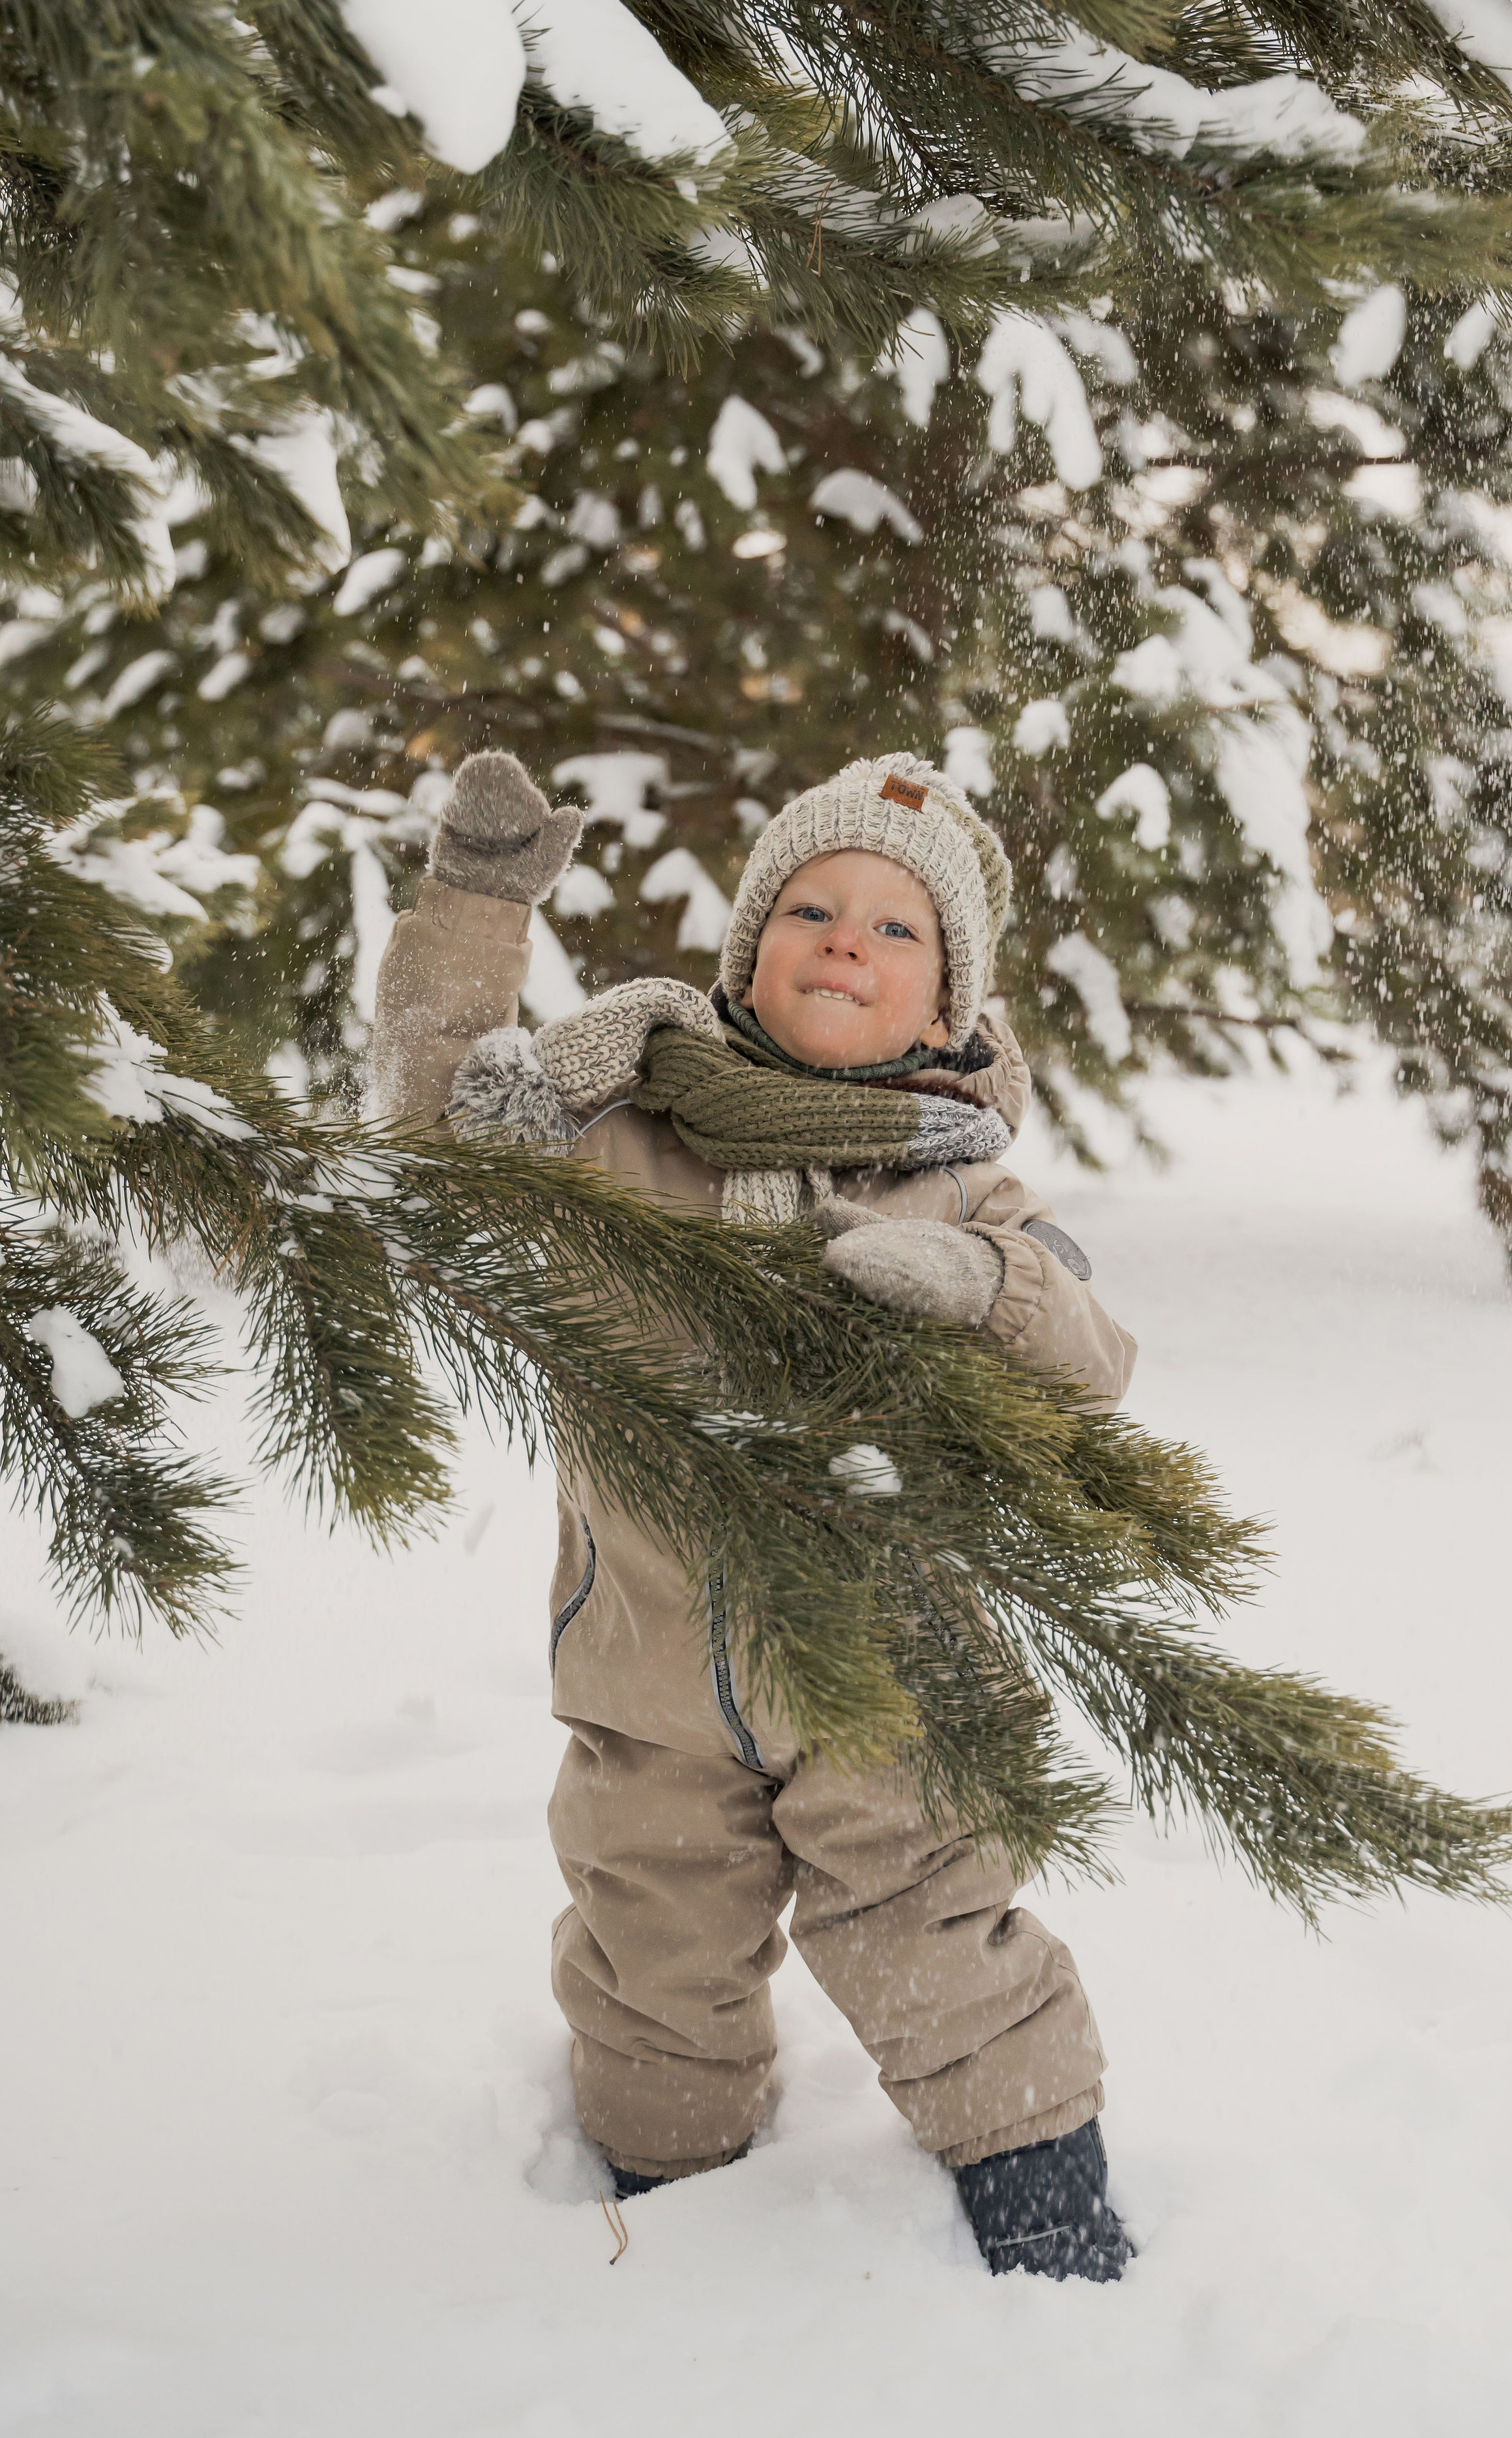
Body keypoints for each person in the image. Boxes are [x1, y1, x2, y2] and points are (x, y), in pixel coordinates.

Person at [371, 747, 1138, 2281]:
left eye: (894, 925)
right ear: (743, 961)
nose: (844, 935)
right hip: (648, 1681)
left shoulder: (966, 1188)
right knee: (649, 1958)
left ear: (944, 1011)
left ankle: (1042, 2197)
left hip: (891, 1690)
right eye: (808, 906)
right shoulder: (617, 1140)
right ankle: (664, 2208)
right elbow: (436, 1130)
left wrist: (984, 1291)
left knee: (941, 1941)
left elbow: (1089, 1357)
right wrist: (472, 908)